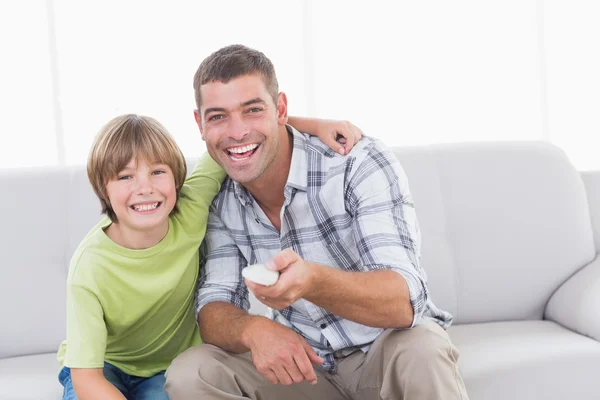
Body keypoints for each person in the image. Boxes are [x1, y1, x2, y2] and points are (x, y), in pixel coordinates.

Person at [164, 44, 469, 400]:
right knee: (193, 372)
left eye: (252, 110)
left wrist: (313, 280)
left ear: (280, 109)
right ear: (200, 124)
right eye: (218, 116)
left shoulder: (355, 163)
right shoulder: (218, 198)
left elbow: (405, 302)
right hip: (305, 367)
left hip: (384, 350)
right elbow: (213, 307)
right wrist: (253, 330)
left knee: (424, 347)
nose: (236, 131)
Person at [56, 113, 364, 400]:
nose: (145, 188)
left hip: (169, 366)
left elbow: (238, 137)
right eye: (125, 177)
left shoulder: (191, 208)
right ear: (103, 189)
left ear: (177, 180)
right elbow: (87, 375)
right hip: (106, 366)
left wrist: (316, 125)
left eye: (157, 172)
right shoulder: (90, 268)